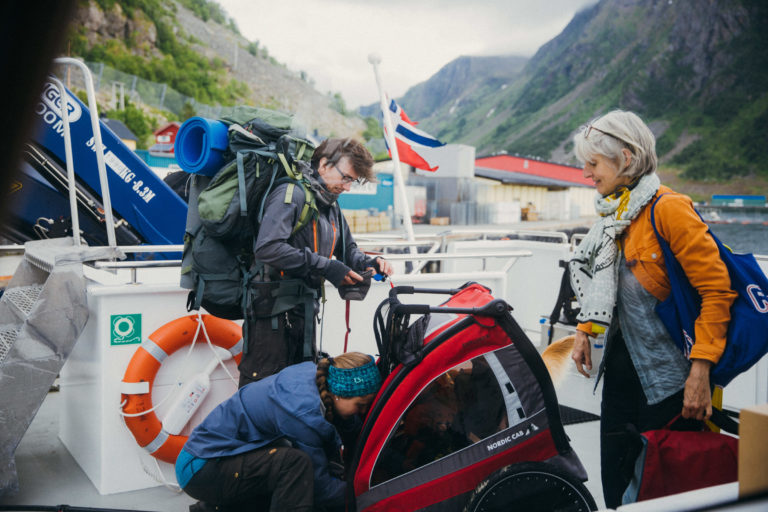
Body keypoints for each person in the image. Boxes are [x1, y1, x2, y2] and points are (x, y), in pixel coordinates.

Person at [568, 110, 737, 508]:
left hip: (669, 386)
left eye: (593, 164)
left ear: (625, 158)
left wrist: (701, 371)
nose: (587, 174)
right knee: (617, 482)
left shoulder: (669, 209)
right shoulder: (614, 213)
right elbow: (606, 289)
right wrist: (584, 330)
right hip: (621, 378)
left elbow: (717, 290)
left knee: (661, 490)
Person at [240, 138, 394, 386]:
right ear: (323, 165)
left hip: (305, 310)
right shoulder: (290, 195)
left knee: (301, 385)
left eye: (352, 181)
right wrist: (327, 266)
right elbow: (268, 248)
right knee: (264, 387)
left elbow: (348, 251)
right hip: (271, 312)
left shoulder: (330, 205)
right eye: (346, 178)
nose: (347, 187)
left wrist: (371, 263)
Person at [176, 352, 382, 512]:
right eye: (361, 405)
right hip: (201, 469)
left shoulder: (317, 378)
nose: (362, 412)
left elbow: (344, 430)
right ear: (339, 394)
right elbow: (320, 489)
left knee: (285, 455)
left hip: (218, 457)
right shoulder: (304, 412)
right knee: (294, 464)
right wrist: (368, 494)